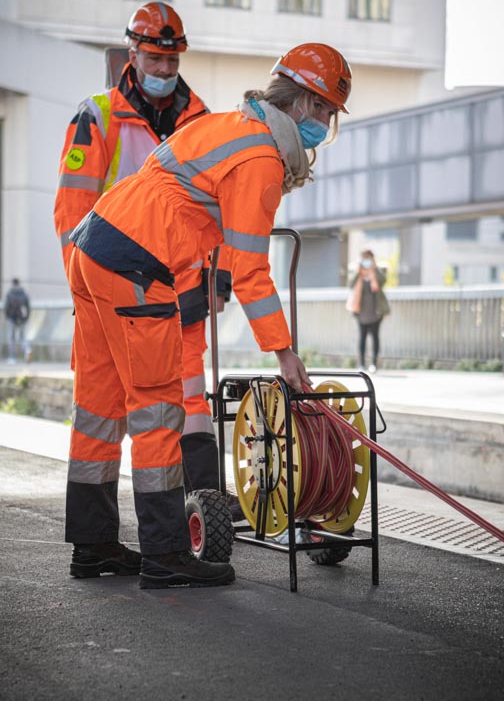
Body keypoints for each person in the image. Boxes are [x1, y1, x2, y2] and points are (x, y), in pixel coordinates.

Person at [63, 42, 352, 589]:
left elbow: (180, 206)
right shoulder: (262, 158)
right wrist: (285, 355)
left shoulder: (225, 124)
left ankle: (93, 543)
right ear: (308, 106)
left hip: (93, 248)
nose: (326, 126)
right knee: (156, 408)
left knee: (99, 407)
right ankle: (166, 555)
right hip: (137, 264)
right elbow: (249, 272)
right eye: (328, 113)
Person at [53, 1, 233, 521]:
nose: (164, 70)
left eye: (172, 61)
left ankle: (206, 510)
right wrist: (83, 293)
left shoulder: (200, 118)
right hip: (117, 282)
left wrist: (218, 275)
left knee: (190, 396)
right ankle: (106, 537)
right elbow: (72, 211)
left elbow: (217, 204)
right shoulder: (99, 116)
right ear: (132, 52)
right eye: (155, 59)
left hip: (184, 283)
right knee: (107, 410)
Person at [347, 250, 390, 373]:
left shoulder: (378, 271)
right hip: (360, 312)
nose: (366, 261)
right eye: (364, 258)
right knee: (362, 338)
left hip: (376, 312)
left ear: (372, 259)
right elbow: (350, 284)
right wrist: (358, 272)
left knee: (375, 337)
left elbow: (383, 282)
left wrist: (374, 270)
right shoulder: (356, 272)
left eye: (368, 258)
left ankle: (374, 363)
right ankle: (361, 364)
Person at [3, 278, 31, 364]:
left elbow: (6, 308)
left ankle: (12, 358)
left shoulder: (9, 294)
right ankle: (27, 350)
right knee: (22, 338)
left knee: (12, 338)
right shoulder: (24, 294)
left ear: (12, 284)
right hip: (22, 319)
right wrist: (25, 318)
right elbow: (28, 308)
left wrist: (8, 317)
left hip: (12, 319)